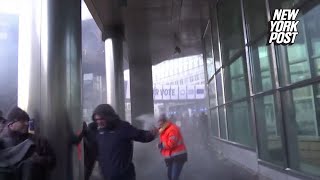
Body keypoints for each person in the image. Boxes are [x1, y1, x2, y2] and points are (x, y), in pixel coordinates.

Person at [77, 104, 158, 180]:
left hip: (124, 176)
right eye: (97, 120)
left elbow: (141, 135)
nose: (99, 122)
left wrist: (151, 134)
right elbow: (88, 145)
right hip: (107, 176)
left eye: (102, 119)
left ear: (109, 117)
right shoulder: (98, 132)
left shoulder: (123, 128)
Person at [0, 107, 56, 180]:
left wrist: (39, 159)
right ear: (11, 125)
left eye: (27, 121)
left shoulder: (37, 141)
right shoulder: (2, 143)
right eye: (22, 121)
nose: (26, 123)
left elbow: (52, 161)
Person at [157, 114, 188, 180]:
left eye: (160, 121)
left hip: (178, 156)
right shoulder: (164, 130)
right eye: (158, 121)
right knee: (170, 176)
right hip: (171, 157)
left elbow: (171, 144)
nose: (158, 123)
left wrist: (161, 145)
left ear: (164, 122)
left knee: (174, 177)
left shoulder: (172, 129)